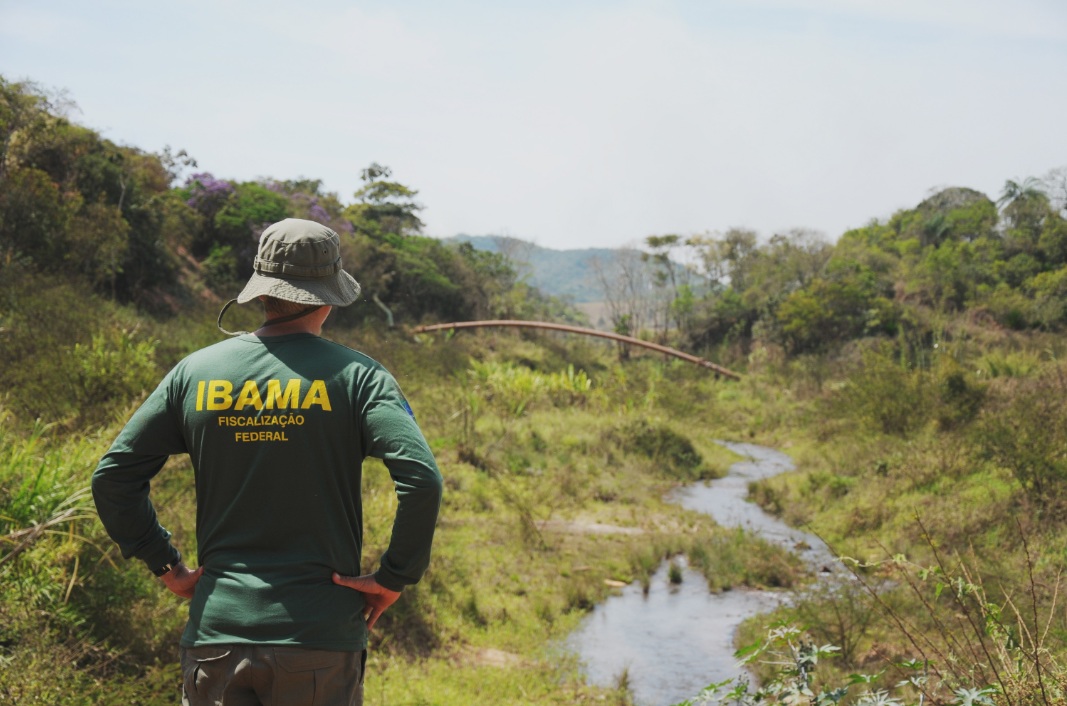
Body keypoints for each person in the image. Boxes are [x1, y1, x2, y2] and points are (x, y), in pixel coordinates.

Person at [92, 218, 443, 706]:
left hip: (216, 636)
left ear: (262, 292)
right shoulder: (361, 377)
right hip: (319, 640)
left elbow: (113, 477)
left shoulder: (195, 373)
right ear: (329, 295)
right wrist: (393, 578)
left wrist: (166, 565)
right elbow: (422, 480)